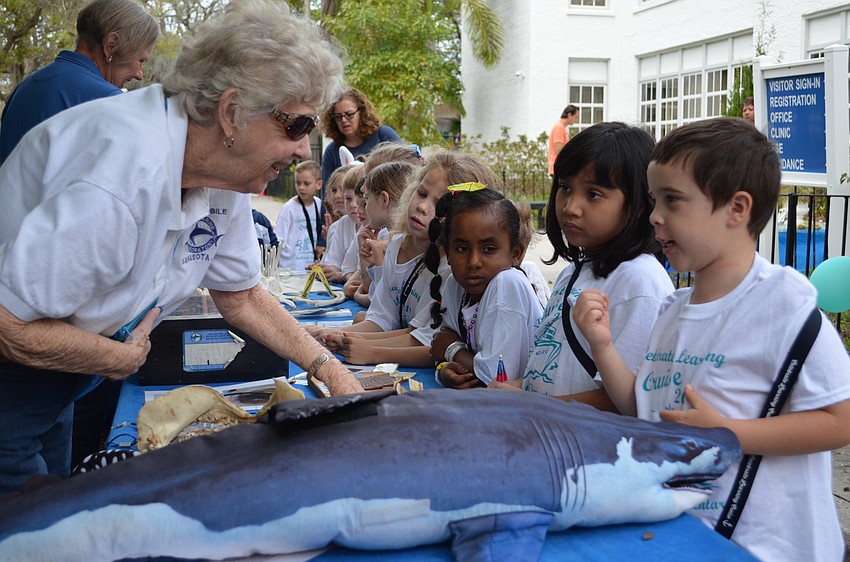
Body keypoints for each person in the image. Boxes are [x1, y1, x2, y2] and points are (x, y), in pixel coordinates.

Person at [0, 0, 363, 495]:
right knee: (30, 532)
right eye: (297, 126)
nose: (305, 149)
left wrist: (333, 374)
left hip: (62, 366)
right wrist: (115, 359)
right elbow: (8, 323)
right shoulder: (121, 181)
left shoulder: (221, 173)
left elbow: (243, 294)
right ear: (231, 112)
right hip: (14, 373)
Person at [573, 118, 850, 561]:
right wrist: (602, 345)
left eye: (673, 201)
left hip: (771, 548)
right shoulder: (672, 311)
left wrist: (730, 433)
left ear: (736, 209)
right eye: (652, 200)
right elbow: (644, 409)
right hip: (686, 538)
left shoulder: (783, 304)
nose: (655, 216)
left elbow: (841, 419)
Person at [496, 123, 673, 411]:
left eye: (593, 194)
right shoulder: (574, 272)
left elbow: (627, 399)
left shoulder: (639, 281)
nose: (570, 207)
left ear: (638, 205)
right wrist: (516, 388)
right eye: (565, 188)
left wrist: (532, 404)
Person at [315, 151, 491, 367]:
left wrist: (367, 349)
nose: (422, 207)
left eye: (439, 204)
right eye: (422, 193)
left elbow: (425, 340)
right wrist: (333, 335)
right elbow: (382, 320)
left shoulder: (451, 269)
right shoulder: (396, 246)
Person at [0, 0, 159, 164]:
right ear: (111, 45)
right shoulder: (108, 100)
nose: (139, 74)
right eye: (141, 61)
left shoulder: (25, 87)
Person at [428, 185, 543, 388]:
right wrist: (445, 369)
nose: (473, 262)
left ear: (516, 253)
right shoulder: (455, 286)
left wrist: (453, 351)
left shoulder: (508, 283)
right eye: (462, 248)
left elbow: (496, 379)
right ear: (447, 251)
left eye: (489, 249)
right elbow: (441, 344)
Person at [350, 161, 418, 308]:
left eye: (367, 199)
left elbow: (383, 304)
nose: (364, 207)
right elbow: (370, 290)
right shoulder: (390, 240)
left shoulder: (403, 244)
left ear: (384, 199)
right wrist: (366, 260)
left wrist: (358, 296)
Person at [320, 88, 402, 186]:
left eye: (349, 114)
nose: (344, 120)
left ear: (361, 112)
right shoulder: (332, 151)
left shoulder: (383, 135)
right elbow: (327, 195)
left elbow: (407, 167)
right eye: (338, 117)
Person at [274, 160, 325, 270]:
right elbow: (279, 238)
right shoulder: (289, 208)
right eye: (298, 183)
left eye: (306, 183)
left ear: (318, 184)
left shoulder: (320, 204)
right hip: (289, 269)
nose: (301, 187)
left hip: (311, 268)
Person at [317, 164, 357, 283]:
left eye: (342, 190)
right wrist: (323, 269)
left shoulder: (375, 228)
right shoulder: (340, 225)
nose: (338, 195)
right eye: (334, 190)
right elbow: (334, 261)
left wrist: (340, 275)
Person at [547, 105, 578, 175]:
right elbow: (558, 149)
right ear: (569, 115)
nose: (576, 120)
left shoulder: (561, 127)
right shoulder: (559, 127)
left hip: (558, 166)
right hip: (557, 167)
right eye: (576, 117)